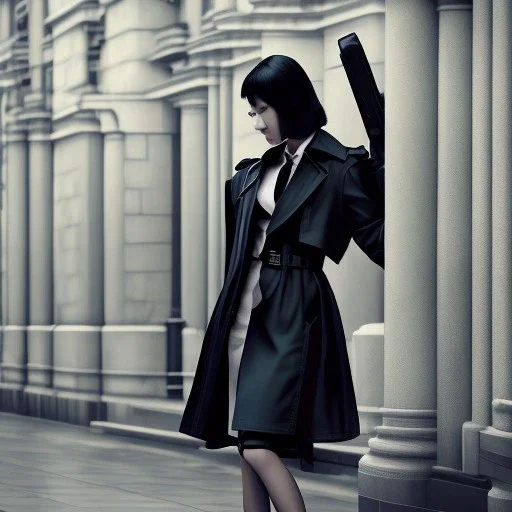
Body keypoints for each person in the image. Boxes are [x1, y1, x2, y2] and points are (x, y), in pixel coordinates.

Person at [179, 54, 384, 512]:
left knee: (258, 442)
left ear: (289, 103)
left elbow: (382, 243)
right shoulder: (256, 170)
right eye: (252, 111)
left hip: (294, 308)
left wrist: (393, 178)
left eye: (261, 109)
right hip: (242, 309)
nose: (255, 121)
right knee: (246, 441)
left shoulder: (342, 166)